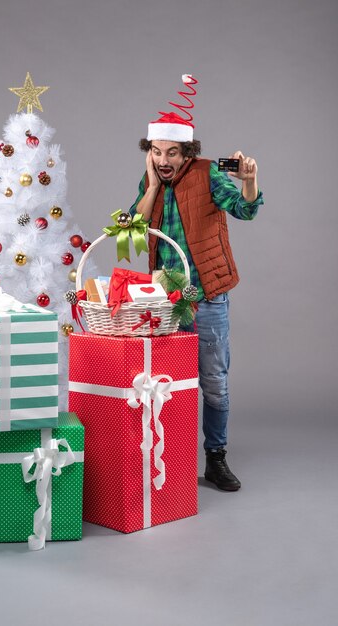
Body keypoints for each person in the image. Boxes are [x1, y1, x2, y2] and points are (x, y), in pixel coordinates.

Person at [129, 75, 264, 491]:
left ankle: (216, 458)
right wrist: (151, 185)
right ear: (149, 153)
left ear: (187, 151)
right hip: (166, 299)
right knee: (167, 384)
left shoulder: (208, 175)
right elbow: (132, 230)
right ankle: (174, 457)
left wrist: (249, 179)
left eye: (172, 152)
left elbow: (246, 210)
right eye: (156, 152)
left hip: (204, 296)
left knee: (213, 383)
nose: (164, 159)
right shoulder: (151, 182)